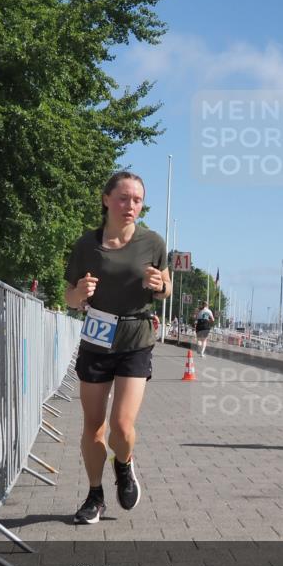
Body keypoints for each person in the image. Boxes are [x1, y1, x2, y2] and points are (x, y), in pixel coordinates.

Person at [64, 171, 171, 524]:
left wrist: (160, 286)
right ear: (106, 199)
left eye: (137, 200)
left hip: (135, 338)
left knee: (121, 427)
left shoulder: (152, 242)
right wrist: (79, 296)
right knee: (93, 426)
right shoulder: (86, 245)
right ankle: (95, 496)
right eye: (124, 198)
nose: (131, 206)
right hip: (96, 338)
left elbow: (165, 286)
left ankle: (123, 465)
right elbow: (69, 295)